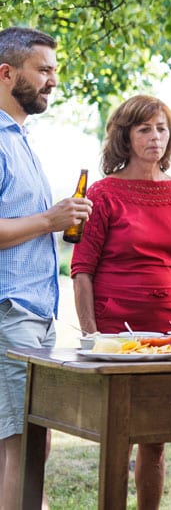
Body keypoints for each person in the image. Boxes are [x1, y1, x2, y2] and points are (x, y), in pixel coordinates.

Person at [71, 94, 171, 510]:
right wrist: (91, 333)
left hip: (170, 334)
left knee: (156, 438)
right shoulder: (103, 193)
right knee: (117, 437)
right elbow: (82, 269)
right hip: (116, 335)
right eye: (144, 129)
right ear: (125, 136)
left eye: (161, 128)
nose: (155, 137)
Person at [0, 26, 94, 510]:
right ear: (7, 72)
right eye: (44, 69)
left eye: (55, 71)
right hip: (8, 313)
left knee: (33, 441)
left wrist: (59, 222)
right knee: (18, 442)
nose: (53, 80)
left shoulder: (22, 140)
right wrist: (48, 219)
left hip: (34, 314)